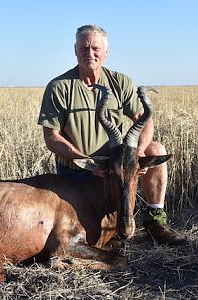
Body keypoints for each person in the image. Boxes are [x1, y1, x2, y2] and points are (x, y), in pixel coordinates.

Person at [38, 24, 186, 246]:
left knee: (156, 150)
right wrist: (86, 161)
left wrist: (138, 154)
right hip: (78, 172)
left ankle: (155, 223)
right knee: (90, 235)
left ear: (106, 51)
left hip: (114, 170)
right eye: (84, 48)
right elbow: (51, 138)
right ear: (75, 50)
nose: (90, 53)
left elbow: (144, 121)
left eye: (95, 48)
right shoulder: (59, 87)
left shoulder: (120, 82)